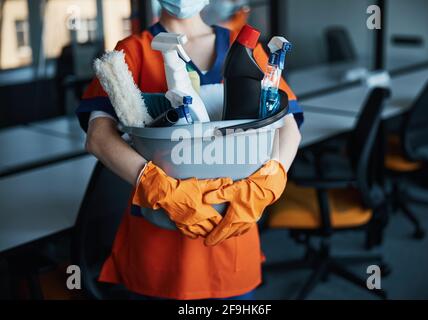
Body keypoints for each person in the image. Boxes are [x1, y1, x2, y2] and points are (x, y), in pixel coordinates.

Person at [76, 0, 302, 300]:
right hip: (160, 245)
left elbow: (287, 126)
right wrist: (158, 187)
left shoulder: (244, 46)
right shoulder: (134, 50)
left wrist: (270, 180)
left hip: (232, 232)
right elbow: (98, 137)